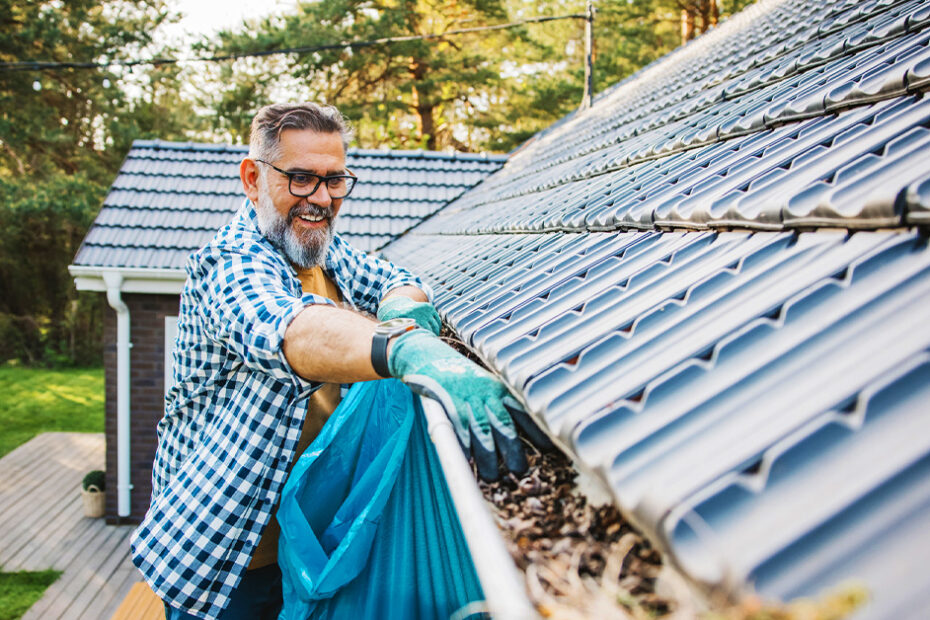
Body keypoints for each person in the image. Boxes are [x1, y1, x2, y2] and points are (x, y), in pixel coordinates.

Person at [130, 103, 534, 620]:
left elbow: (395, 278)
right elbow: (292, 332)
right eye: (300, 179)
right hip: (227, 559)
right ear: (253, 178)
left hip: (307, 545)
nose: (320, 199)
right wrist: (410, 349)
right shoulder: (229, 263)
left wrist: (402, 310)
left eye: (334, 180)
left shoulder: (319, 249)